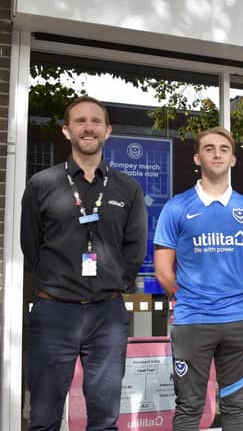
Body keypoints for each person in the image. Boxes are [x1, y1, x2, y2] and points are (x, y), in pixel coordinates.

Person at [20, 96, 148, 430]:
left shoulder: (127, 187)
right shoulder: (42, 185)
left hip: (107, 314)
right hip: (53, 313)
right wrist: (58, 281)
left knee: (105, 418)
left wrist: (112, 282)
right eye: (79, 121)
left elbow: (135, 248)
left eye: (95, 121)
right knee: (44, 417)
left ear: (107, 131)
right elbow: (30, 246)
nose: (88, 127)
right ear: (66, 131)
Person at [154, 127, 243, 431]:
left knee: (236, 410)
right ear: (197, 157)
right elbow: (163, 270)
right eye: (210, 148)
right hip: (192, 322)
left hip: (239, 321)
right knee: (189, 409)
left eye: (224, 149)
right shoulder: (176, 207)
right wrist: (186, 297)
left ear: (233, 160)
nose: (217, 153)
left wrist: (234, 291)